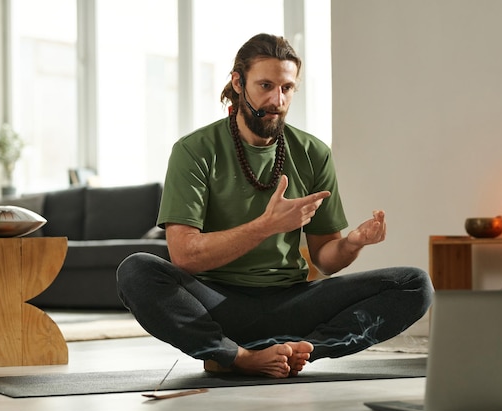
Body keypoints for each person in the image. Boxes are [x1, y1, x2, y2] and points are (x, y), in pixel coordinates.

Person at [117, 33, 433, 379]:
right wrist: (266, 225)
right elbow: (185, 256)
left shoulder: (313, 153)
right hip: (218, 303)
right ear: (238, 82)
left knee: (414, 283)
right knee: (136, 271)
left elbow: (326, 258)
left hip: (291, 302)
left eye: (287, 88)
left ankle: (301, 350)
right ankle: (234, 354)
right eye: (265, 85)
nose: (276, 99)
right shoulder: (193, 150)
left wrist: (352, 244)